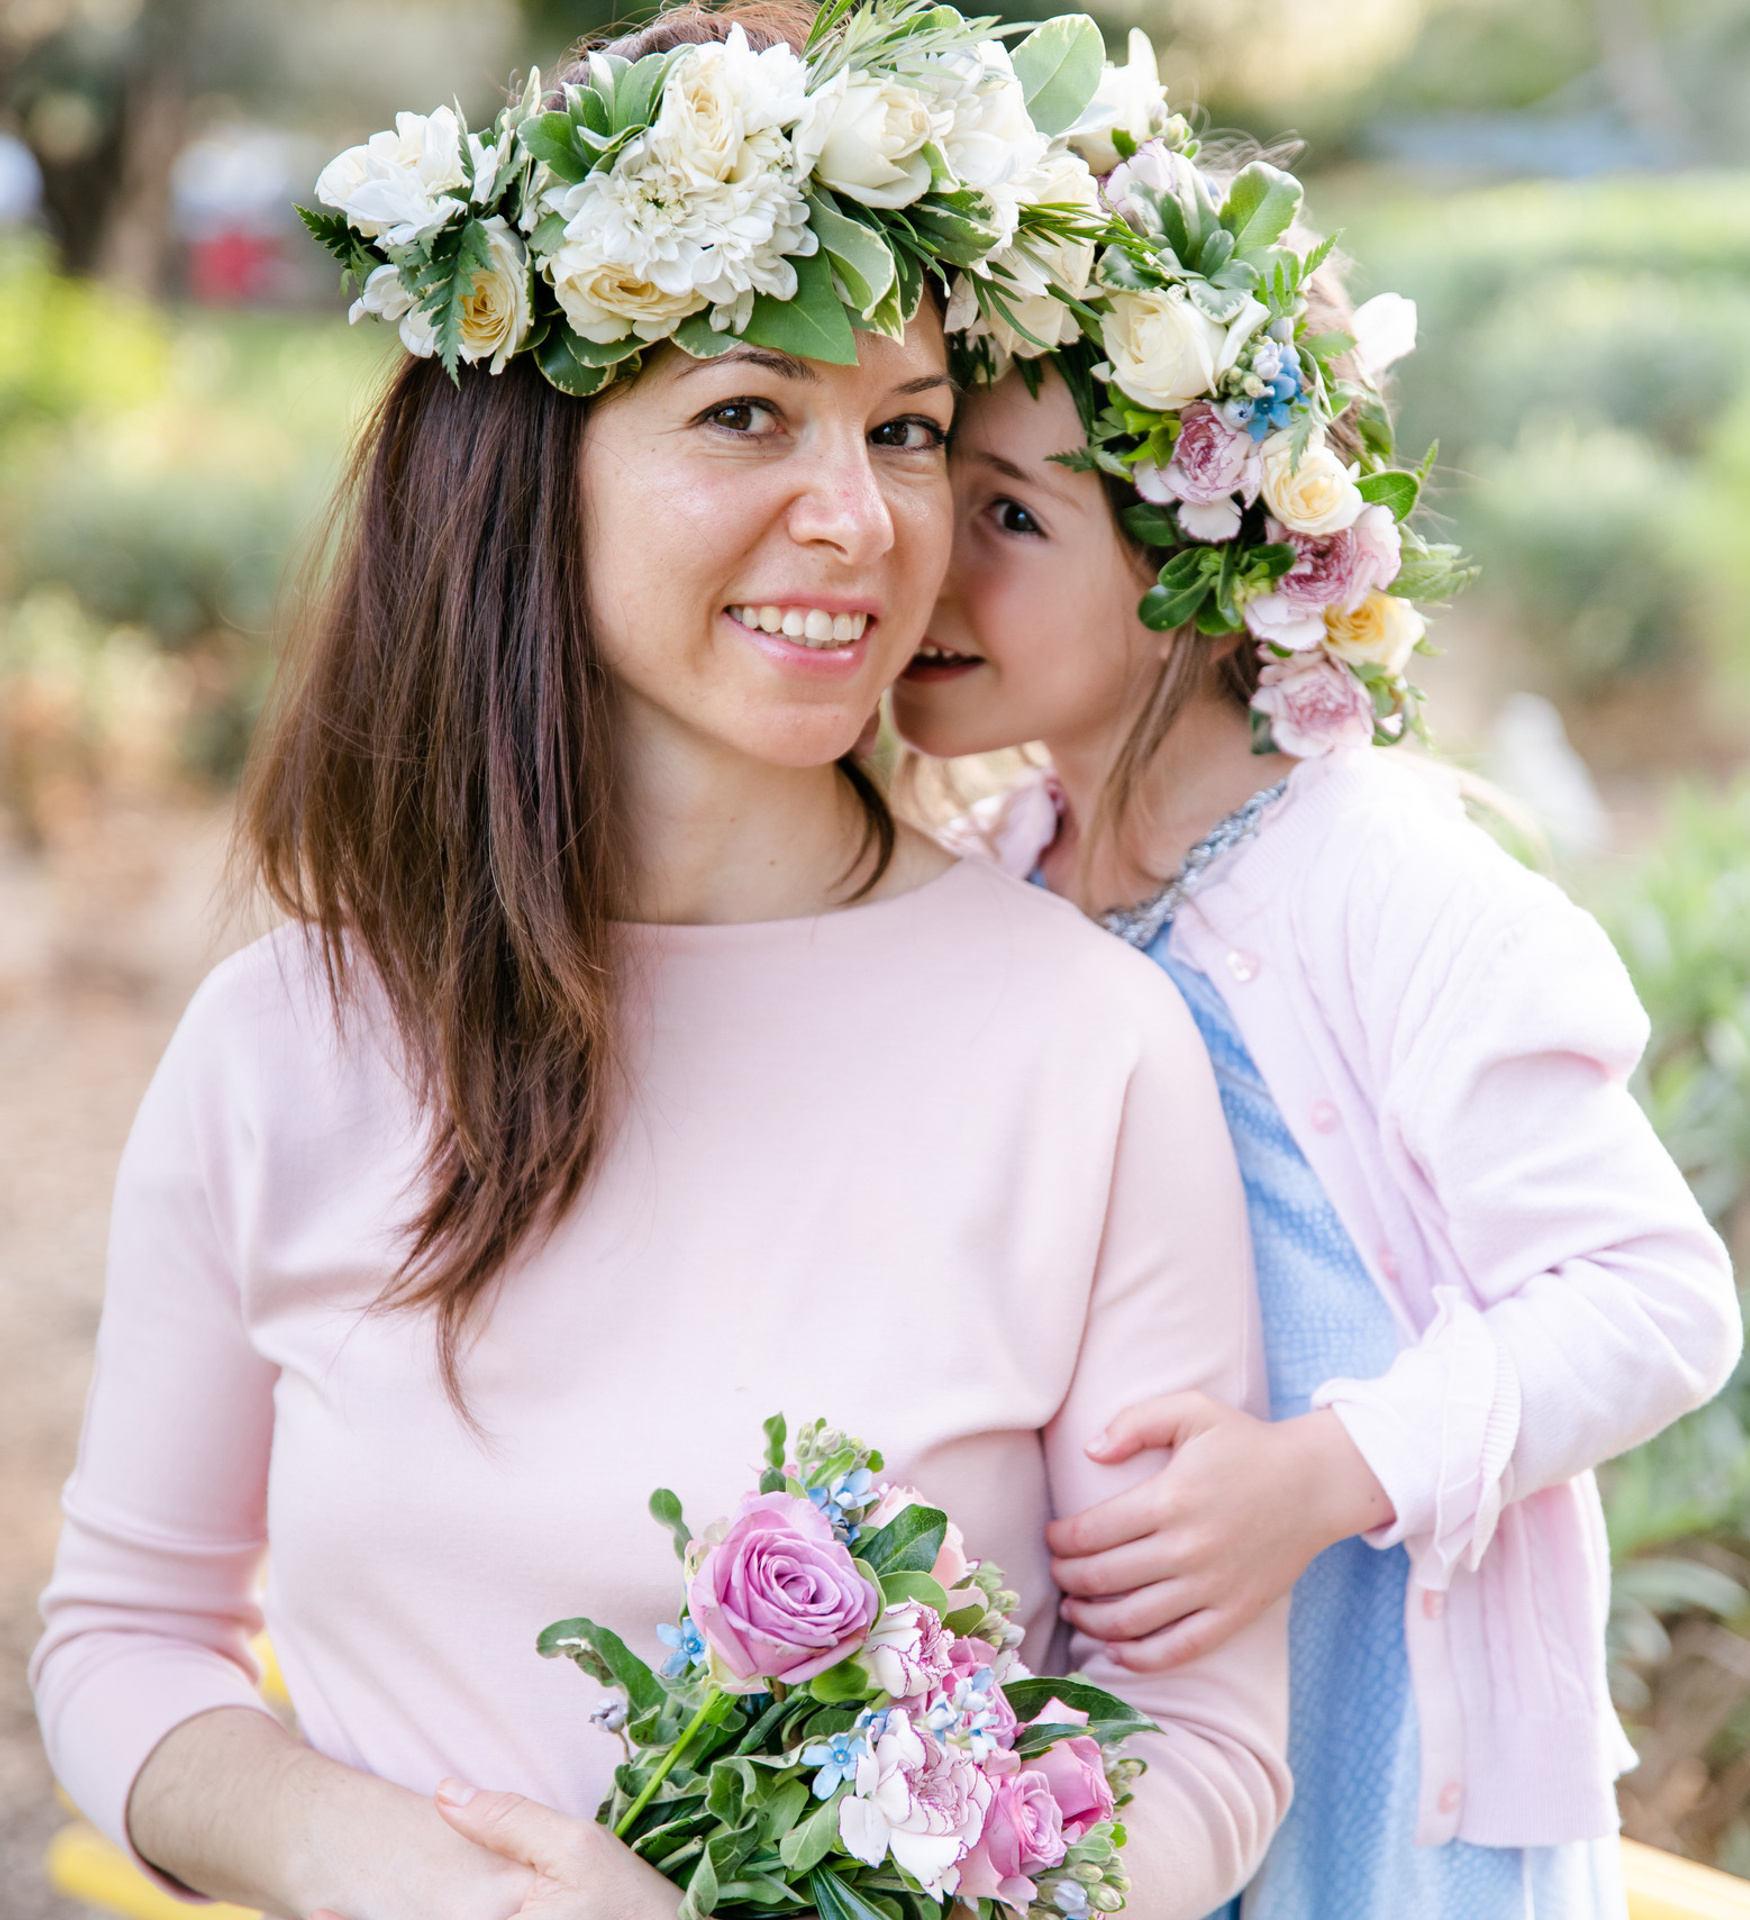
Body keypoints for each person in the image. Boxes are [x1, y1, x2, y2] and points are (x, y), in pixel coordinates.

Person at [30, 11, 1293, 1920]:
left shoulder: (1088, 1051)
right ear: (532, 468)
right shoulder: (285, 1043)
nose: (861, 520)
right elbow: (125, 1637)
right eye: (742, 413)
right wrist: (404, 1870)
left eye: (911, 433)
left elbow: (1195, 1739)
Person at [893, 102, 1743, 1920]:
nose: (923, 566)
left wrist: (1321, 1472)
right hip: (1119, 1719)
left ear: (1201, 569)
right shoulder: (1004, 864)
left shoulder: (1388, 881)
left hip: (1381, 1737)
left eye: (1008, 518)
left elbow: (1655, 1295)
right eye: (923, 479)